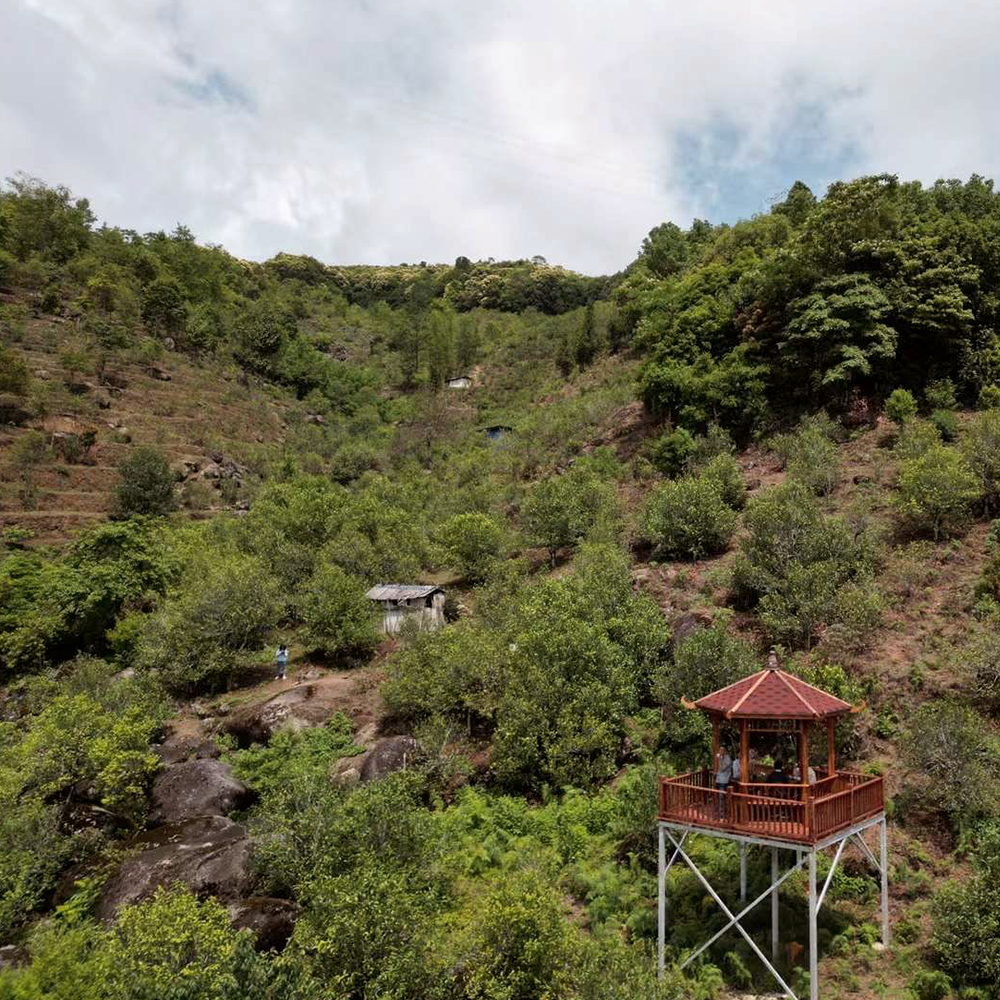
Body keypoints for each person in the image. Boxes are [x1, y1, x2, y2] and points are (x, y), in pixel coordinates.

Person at [714, 744, 734, 818]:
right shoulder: (722, 757)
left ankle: (722, 813)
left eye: (722, 750)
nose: (720, 751)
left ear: (725, 751)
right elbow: (720, 769)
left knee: (721, 796)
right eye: (720, 750)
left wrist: (719, 759)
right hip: (720, 779)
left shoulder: (727, 758)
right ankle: (719, 810)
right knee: (719, 795)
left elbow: (722, 768)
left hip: (724, 780)